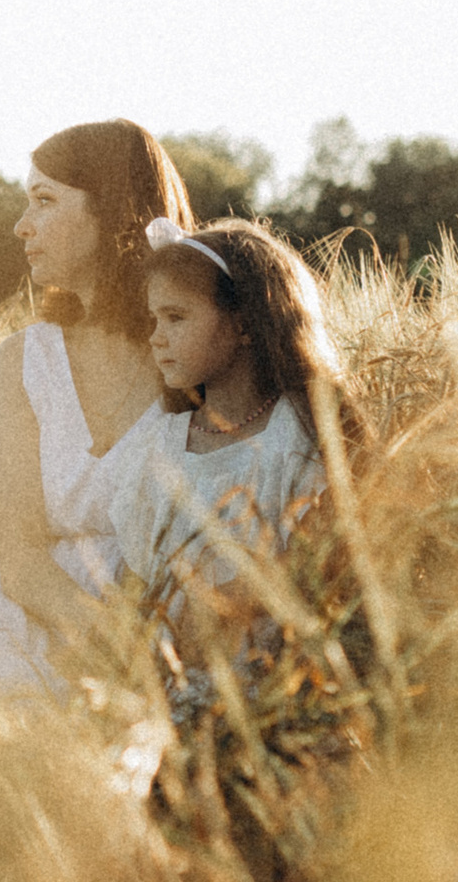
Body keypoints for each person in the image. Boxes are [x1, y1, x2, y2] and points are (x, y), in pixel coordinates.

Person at [0, 121, 195, 692]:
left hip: (174, 628)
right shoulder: (23, 361)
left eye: (44, 201)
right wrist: (114, 641)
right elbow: (17, 556)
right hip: (34, 615)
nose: (21, 226)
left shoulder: (194, 350)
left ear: (114, 212)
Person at [108, 218, 351, 629]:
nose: (156, 337)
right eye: (154, 319)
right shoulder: (159, 443)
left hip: (265, 667)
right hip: (161, 667)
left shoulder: (293, 434)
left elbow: (298, 577)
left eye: (175, 317)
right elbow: (131, 580)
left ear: (243, 323)